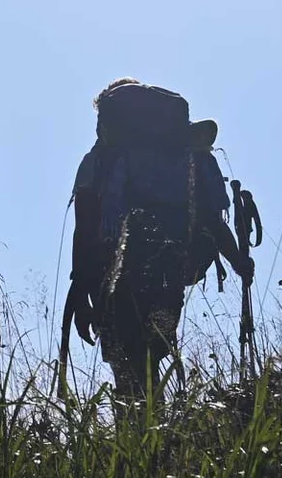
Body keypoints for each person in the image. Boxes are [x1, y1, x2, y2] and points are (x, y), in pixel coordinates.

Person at [64, 79, 251, 406]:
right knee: (150, 359)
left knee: (127, 365)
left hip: (114, 282)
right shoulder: (185, 159)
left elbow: (85, 232)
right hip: (170, 276)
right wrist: (238, 261)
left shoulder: (100, 163)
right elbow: (211, 220)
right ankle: (156, 439)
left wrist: (80, 294)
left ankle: (141, 445)